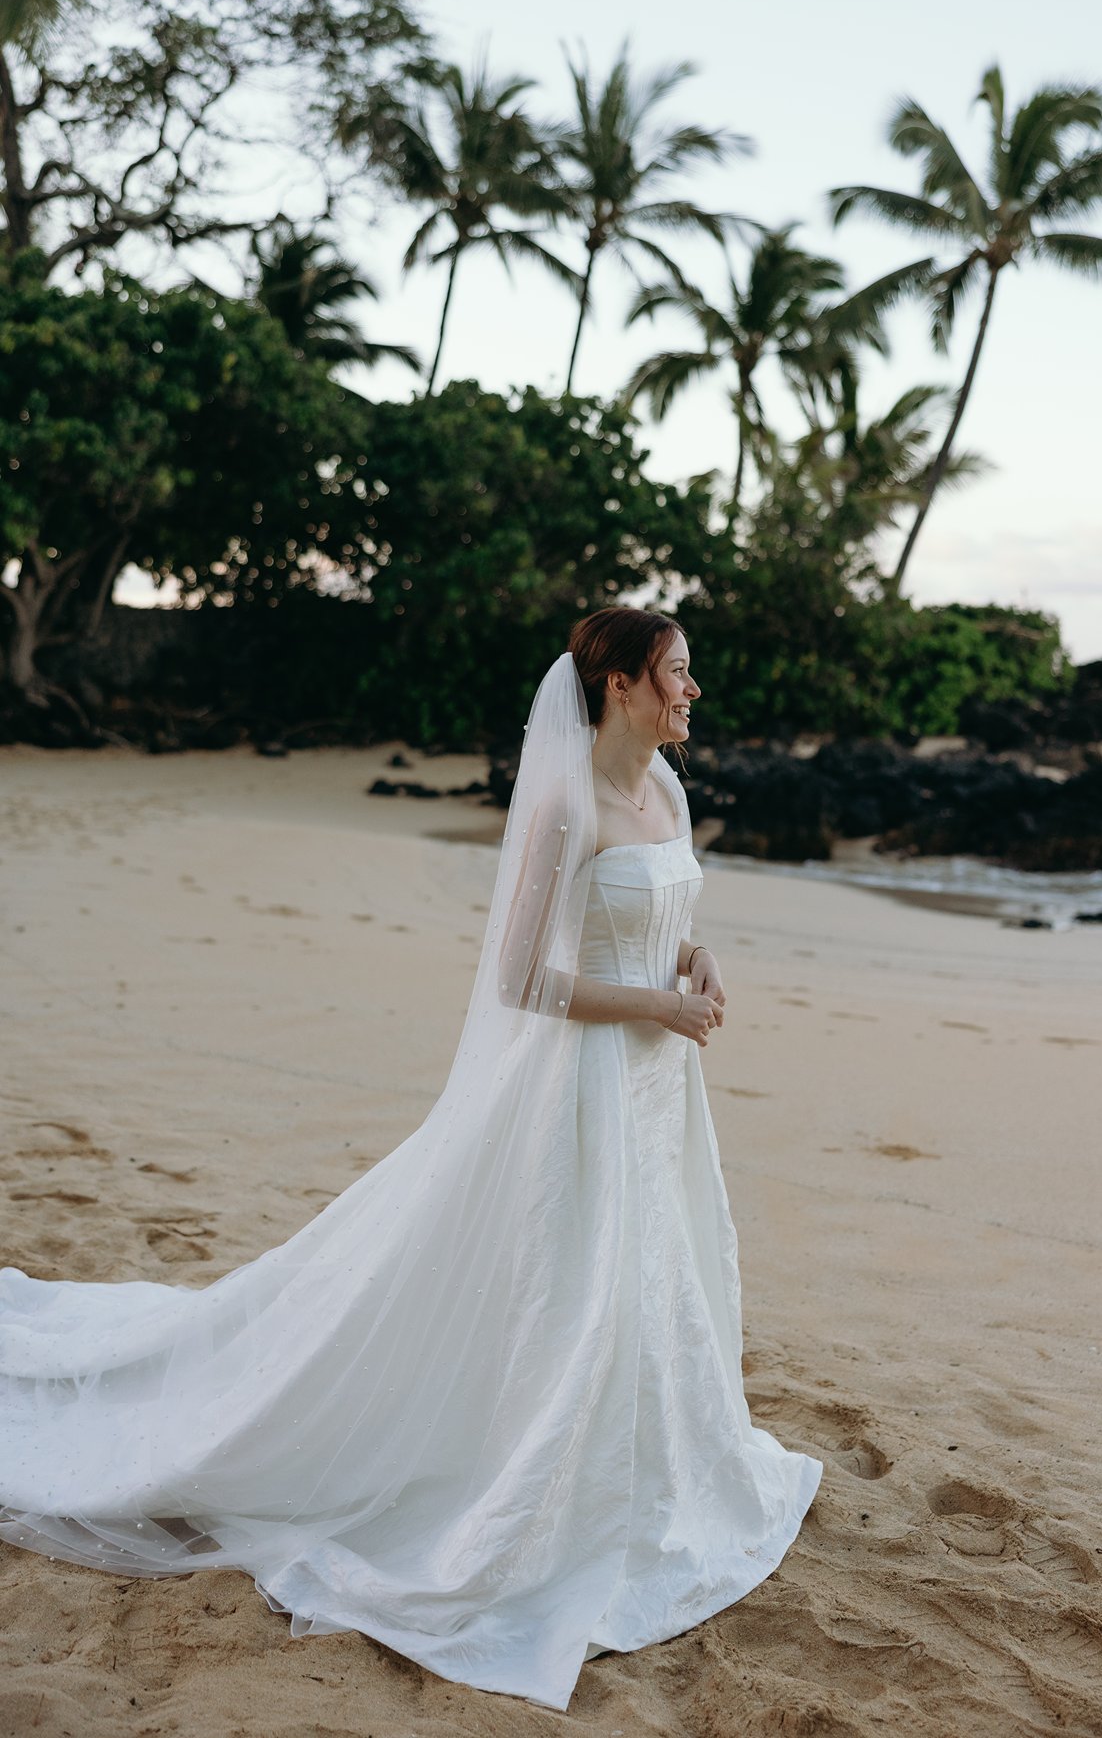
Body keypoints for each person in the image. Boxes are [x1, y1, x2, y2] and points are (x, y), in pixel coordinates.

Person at [0, 607, 821, 1713]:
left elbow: (668, 910)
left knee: (654, 1286)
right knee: (572, 1297)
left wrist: (699, 967)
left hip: (660, 1093)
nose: (695, 690)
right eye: (677, 673)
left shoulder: (667, 792)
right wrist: (658, 1008)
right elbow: (523, 980)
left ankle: (644, 1484)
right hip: (577, 1092)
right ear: (620, 685)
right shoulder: (564, 806)